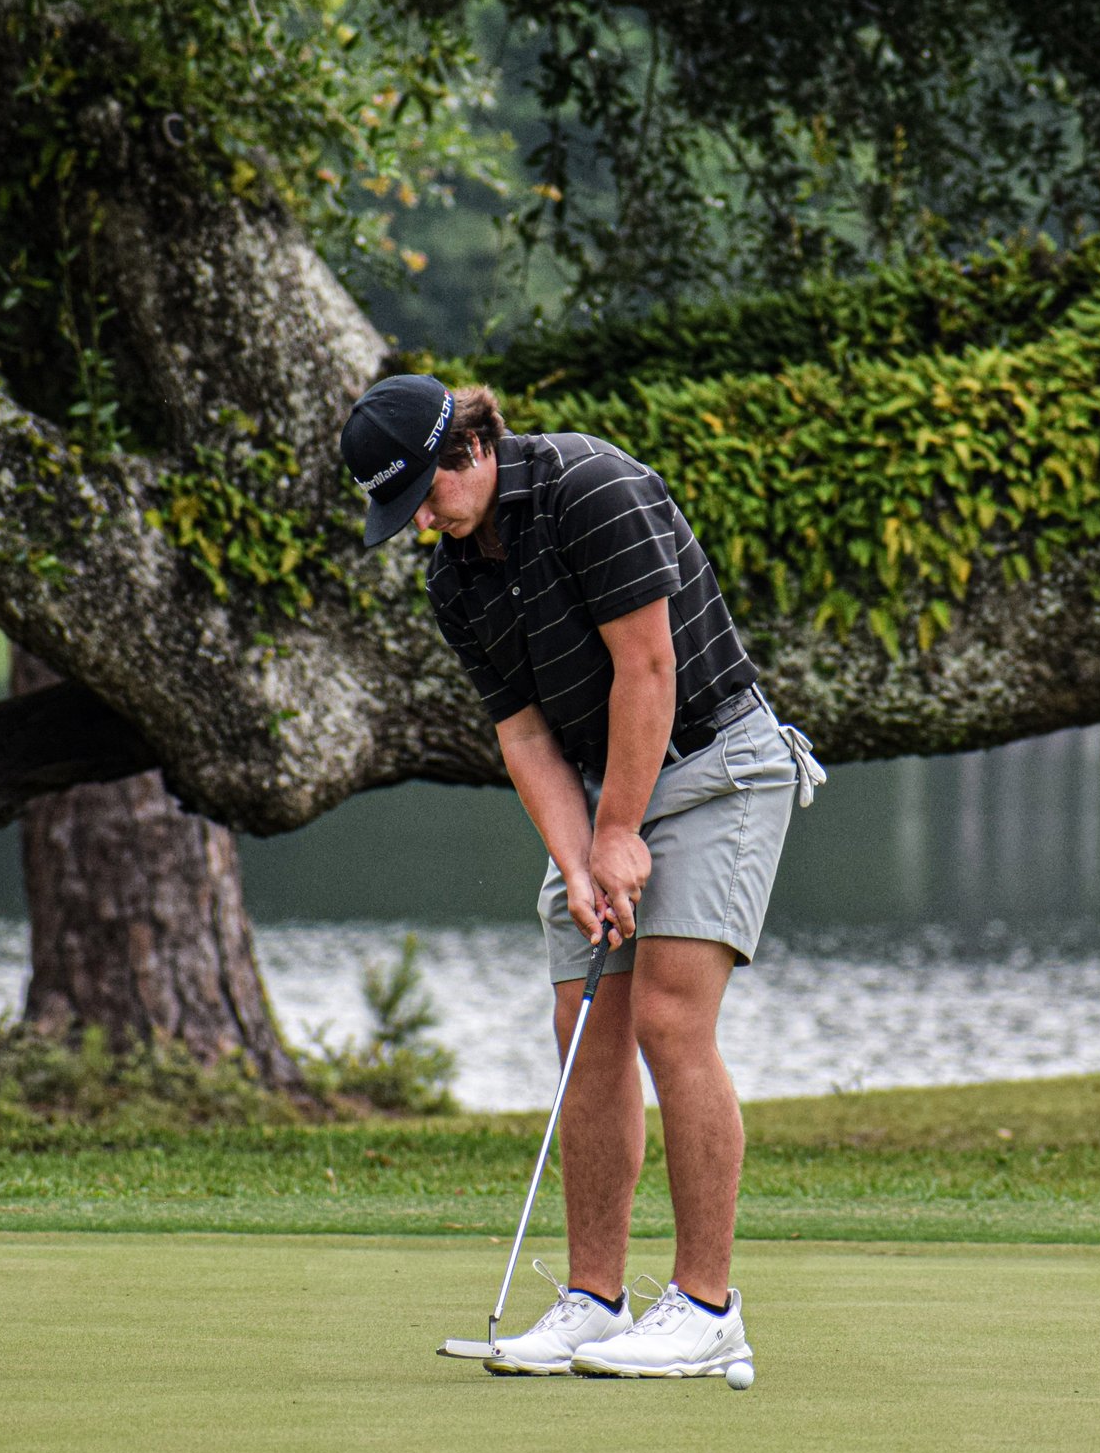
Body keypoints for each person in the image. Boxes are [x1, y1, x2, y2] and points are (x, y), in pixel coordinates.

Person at [340, 372, 821, 1379]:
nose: (422, 522)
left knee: (669, 1017)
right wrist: (580, 859)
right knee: (583, 1023)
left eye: (425, 494)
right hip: (607, 790)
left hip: (719, 763)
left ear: (471, 447)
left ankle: (706, 1308)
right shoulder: (454, 580)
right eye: (404, 510)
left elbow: (648, 668)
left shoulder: (589, 487)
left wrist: (618, 833)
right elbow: (524, 736)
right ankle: (595, 1303)